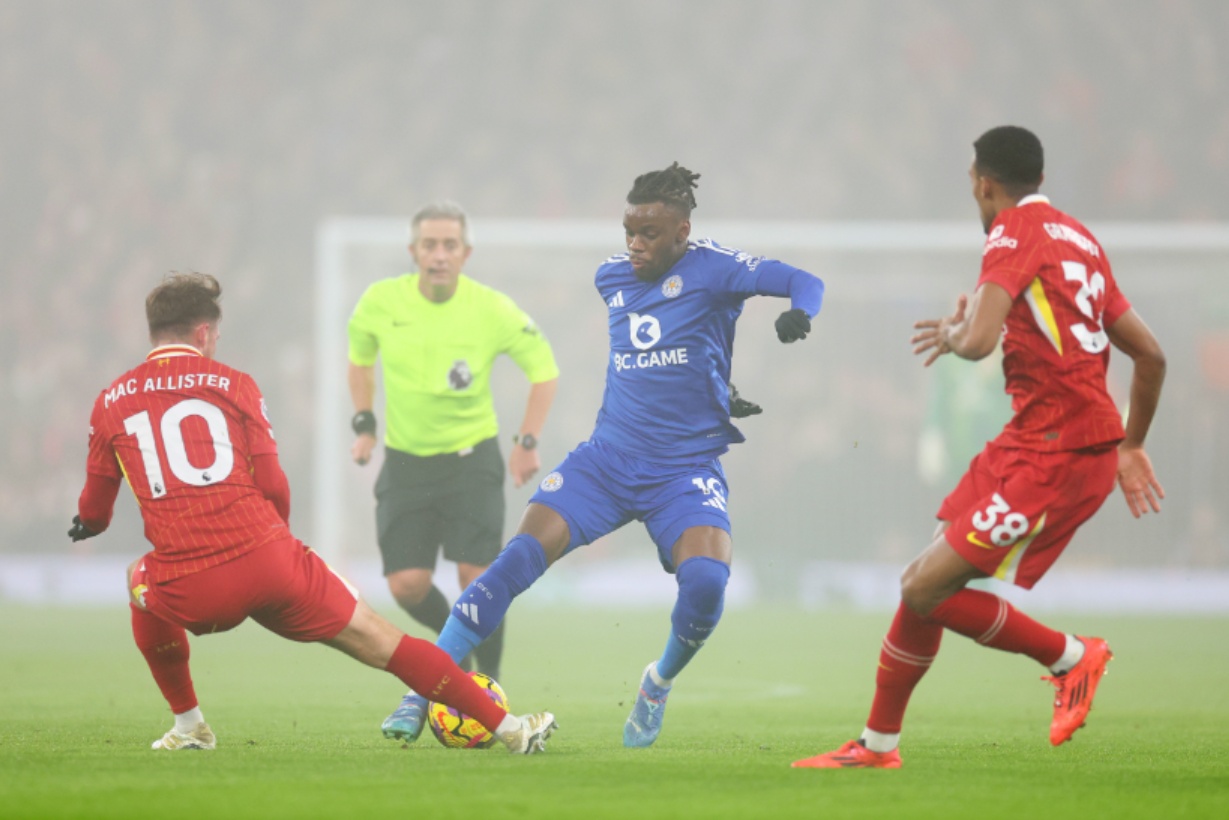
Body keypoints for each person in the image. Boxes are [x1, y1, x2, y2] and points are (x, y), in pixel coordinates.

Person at [379, 162, 825, 747]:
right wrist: (712, 385)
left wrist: (801, 314)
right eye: (628, 233)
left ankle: (657, 683)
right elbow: (667, 353)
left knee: (706, 585)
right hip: (607, 461)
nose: (634, 246)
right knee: (515, 560)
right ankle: (419, 691)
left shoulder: (717, 267)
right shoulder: (611, 278)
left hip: (684, 470)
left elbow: (805, 281)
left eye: (649, 235)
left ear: (682, 233)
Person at [793, 126, 1166, 769]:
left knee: (923, 588)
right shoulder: (1080, 238)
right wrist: (1132, 445)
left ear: (983, 183)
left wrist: (958, 333)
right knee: (921, 585)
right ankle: (879, 745)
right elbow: (1151, 355)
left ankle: (1073, 657)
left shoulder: (1011, 234)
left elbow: (978, 343)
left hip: (1058, 451)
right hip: (1038, 440)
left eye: (973, 184)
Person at [70, 272, 557, 754]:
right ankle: (512, 729)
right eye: (215, 335)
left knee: (137, 578)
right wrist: (274, 546)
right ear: (202, 333)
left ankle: (190, 725)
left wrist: (87, 524)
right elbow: (272, 485)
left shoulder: (110, 401)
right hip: (272, 560)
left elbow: (96, 509)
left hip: (191, 582)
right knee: (383, 640)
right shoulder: (235, 384)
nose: (216, 342)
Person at [348, 201, 559, 693]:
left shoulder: (492, 308)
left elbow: (544, 371)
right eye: (429, 245)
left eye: (449, 245)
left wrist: (527, 442)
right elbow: (359, 361)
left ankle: (490, 682)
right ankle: (461, 664)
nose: (439, 254)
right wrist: (364, 424)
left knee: (478, 578)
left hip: (471, 462)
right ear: (413, 251)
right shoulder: (380, 303)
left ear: (465, 252)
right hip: (405, 464)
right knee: (407, 586)